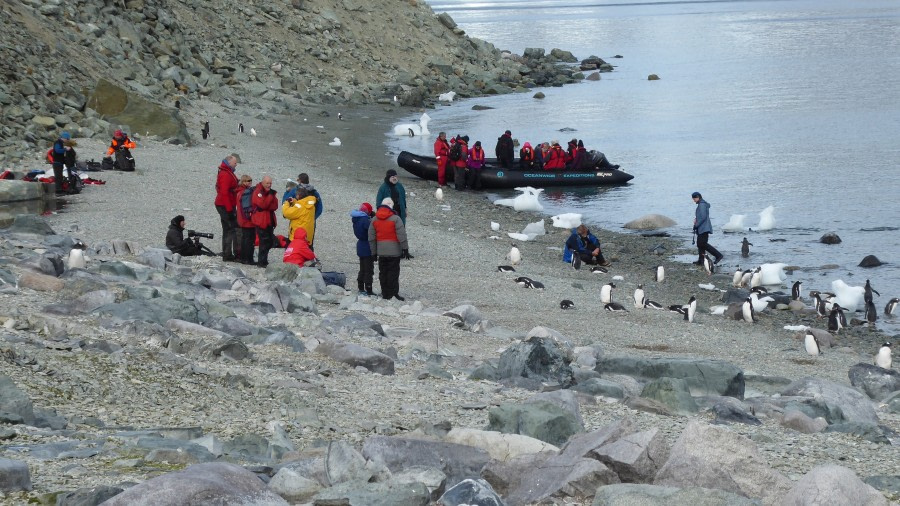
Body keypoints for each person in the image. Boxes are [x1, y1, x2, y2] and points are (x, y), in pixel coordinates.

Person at [369, 198, 410, 301]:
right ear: (391, 206)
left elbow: (371, 238)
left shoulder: (374, 219)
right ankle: (394, 293)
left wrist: (373, 252)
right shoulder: (396, 218)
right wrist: (405, 248)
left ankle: (385, 293)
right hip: (394, 251)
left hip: (381, 251)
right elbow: (402, 235)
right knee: (393, 272)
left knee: (383, 272)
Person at [282, 173, 323, 245]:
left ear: (300, 180)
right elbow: (320, 208)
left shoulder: (296, 190)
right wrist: (312, 218)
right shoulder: (314, 193)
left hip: (297, 222)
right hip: (310, 224)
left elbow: (285, 201)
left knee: (293, 245)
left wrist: (287, 192)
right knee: (308, 244)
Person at [214, 153, 241, 261]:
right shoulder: (225, 174)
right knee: (229, 229)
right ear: (229, 163)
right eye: (235, 163)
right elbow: (224, 192)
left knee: (227, 229)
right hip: (224, 205)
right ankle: (227, 254)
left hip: (223, 203)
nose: (236, 165)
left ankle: (227, 252)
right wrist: (230, 209)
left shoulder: (225, 172)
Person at [251, 175, 279, 267]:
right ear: (262, 182)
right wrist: (270, 196)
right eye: (267, 183)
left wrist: (268, 201)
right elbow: (263, 205)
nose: (269, 185)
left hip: (269, 220)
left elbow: (275, 206)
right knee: (264, 241)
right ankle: (261, 262)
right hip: (261, 220)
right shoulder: (258, 192)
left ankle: (263, 260)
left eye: (270, 183)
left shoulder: (269, 193)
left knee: (269, 241)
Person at [692, 191, 723, 265]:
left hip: (704, 228)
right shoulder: (701, 204)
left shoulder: (702, 205)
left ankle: (718, 255)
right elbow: (701, 217)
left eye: (694, 198)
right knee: (700, 244)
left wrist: (696, 225)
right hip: (702, 227)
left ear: (698, 197)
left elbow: (703, 217)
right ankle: (701, 260)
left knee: (702, 243)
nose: (693, 200)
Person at [351, 202, 375, 295]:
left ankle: (360, 287)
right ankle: (368, 288)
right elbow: (371, 230)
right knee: (368, 269)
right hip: (367, 246)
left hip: (360, 245)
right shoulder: (365, 220)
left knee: (362, 268)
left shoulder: (356, 218)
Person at [234, 174, 255, 264]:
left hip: (241, 219)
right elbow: (247, 208)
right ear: (243, 182)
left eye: (250, 180)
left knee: (244, 238)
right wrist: (250, 217)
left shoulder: (239, 192)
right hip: (246, 220)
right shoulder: (246, 193)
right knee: (249, 239)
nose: (249, 182)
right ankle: (248, 258)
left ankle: (243, 257)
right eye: (247, 181)